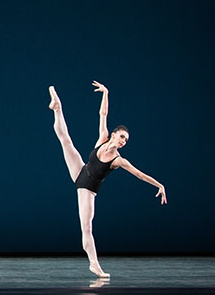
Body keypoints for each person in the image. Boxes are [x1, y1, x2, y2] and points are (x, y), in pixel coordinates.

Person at [48, 81, 167, 278]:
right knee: (65, 140)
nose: (122, 141)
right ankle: (57, 108)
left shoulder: (118, 160)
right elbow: (102, 114)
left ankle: (94, 264)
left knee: (86, 227)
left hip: (88, 188)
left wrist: (159, 184)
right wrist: (106, 93)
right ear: (114, 134)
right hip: (81, 171)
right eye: (121, 137)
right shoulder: (103, 137)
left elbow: (139, 174)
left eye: (125, 140)